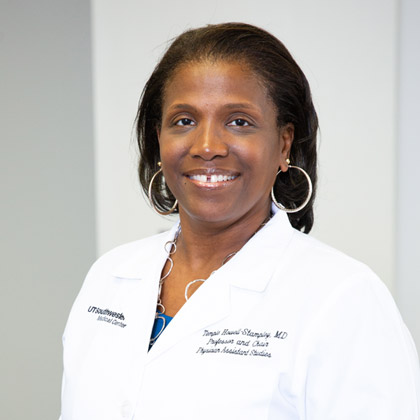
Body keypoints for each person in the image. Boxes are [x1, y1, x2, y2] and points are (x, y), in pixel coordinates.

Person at [59, 23, 420, 419]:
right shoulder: (109, 276)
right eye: (183, 121)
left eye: (239, 122)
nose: (207, 147)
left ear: (283, 144)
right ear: (158, 139)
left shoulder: (343, 298)